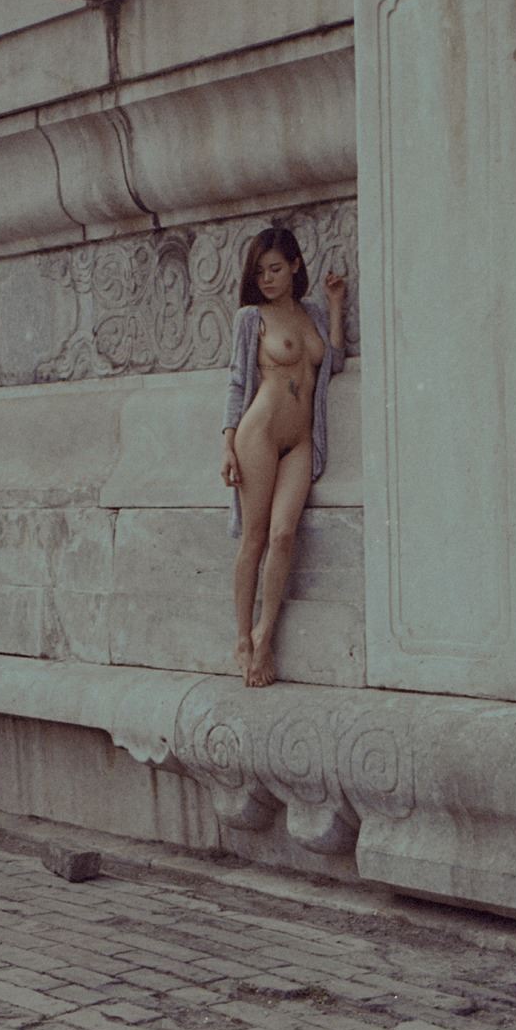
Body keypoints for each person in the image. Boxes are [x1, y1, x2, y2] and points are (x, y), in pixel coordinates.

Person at [220, 227, 346, 687]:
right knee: (255, 538)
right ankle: (242, 639)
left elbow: (333, 361)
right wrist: (227, 444)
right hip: (259, 434)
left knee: (284, 534)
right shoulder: (252, 318)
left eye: (275, 269)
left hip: (301, 440)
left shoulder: (313, 313)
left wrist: (336, 305)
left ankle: (265, 634)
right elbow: (237, 381)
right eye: (260, 272)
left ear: (295, 265)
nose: (267, 279)